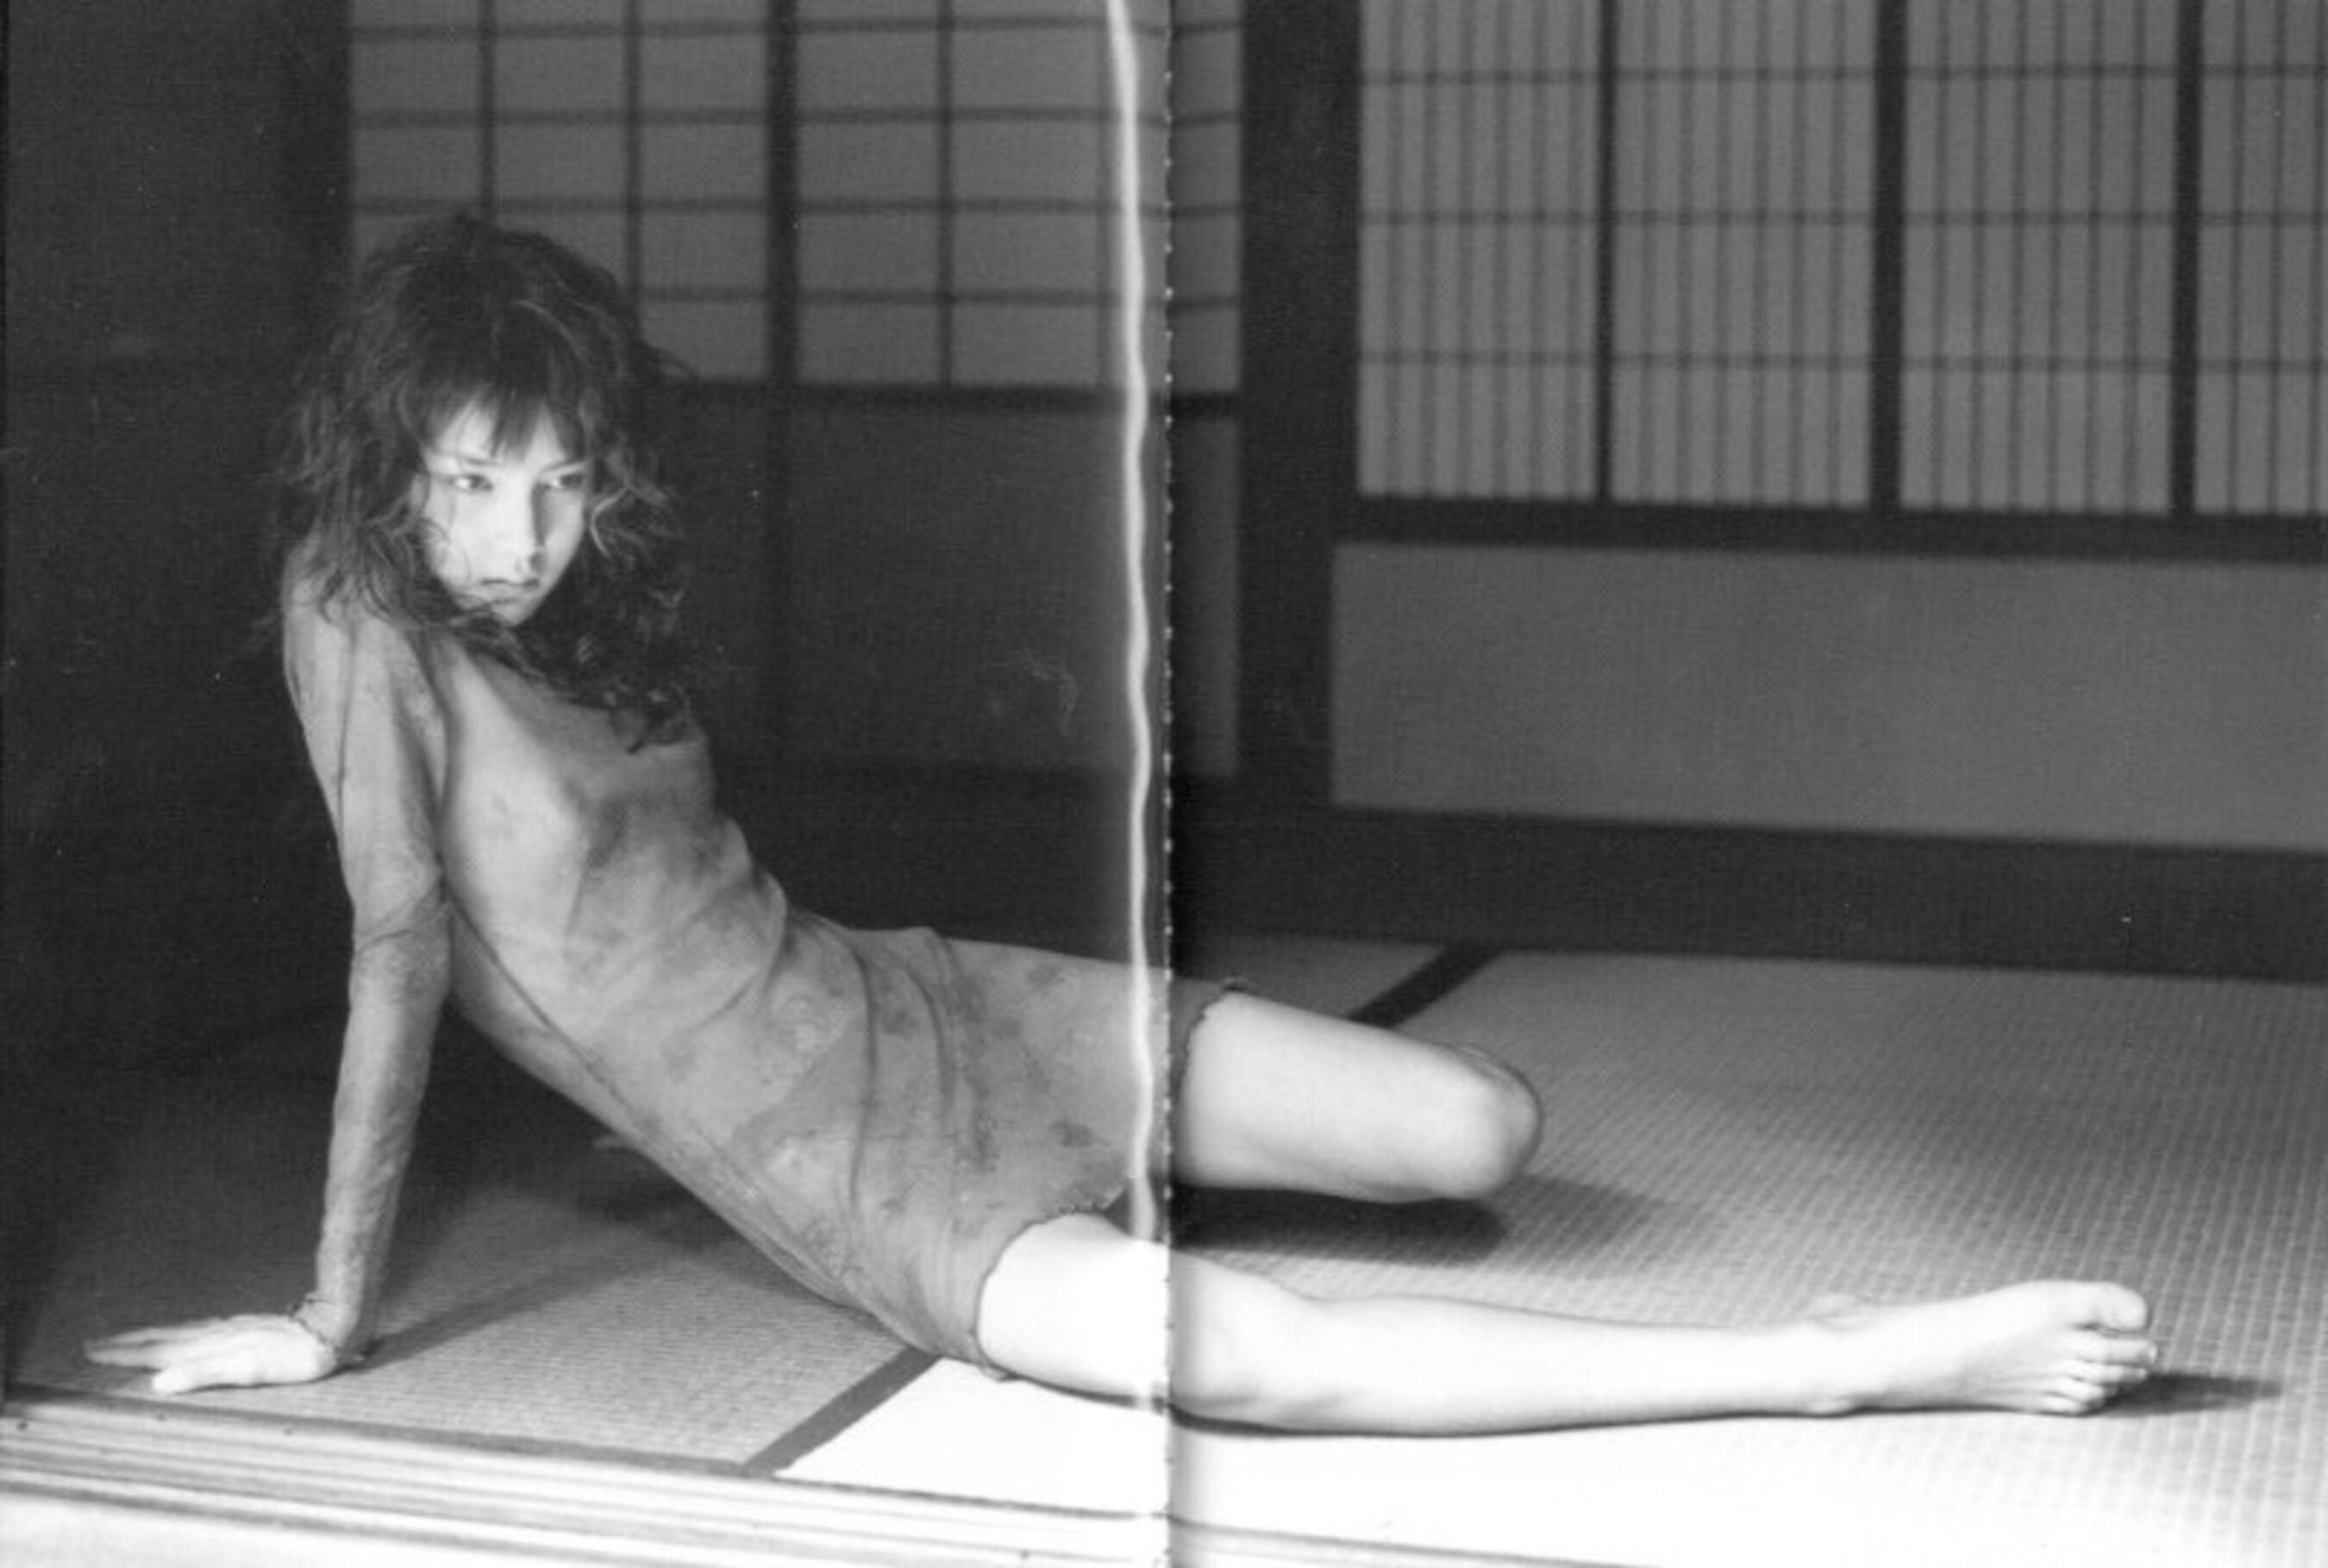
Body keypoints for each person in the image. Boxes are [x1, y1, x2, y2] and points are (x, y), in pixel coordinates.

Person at [88, 216, 2160, 1433]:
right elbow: (402, 956)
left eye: (556, 481)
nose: (518, 535)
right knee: (1261, 1367)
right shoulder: (354, 607)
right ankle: (1837, 1357)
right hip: (842, 1170)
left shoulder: (567, 592)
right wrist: (329, 1314)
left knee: (1479, 1129)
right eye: (468, 482)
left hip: (914, 999)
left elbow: (674, 900)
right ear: (389, 463)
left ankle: (1129, 1175)